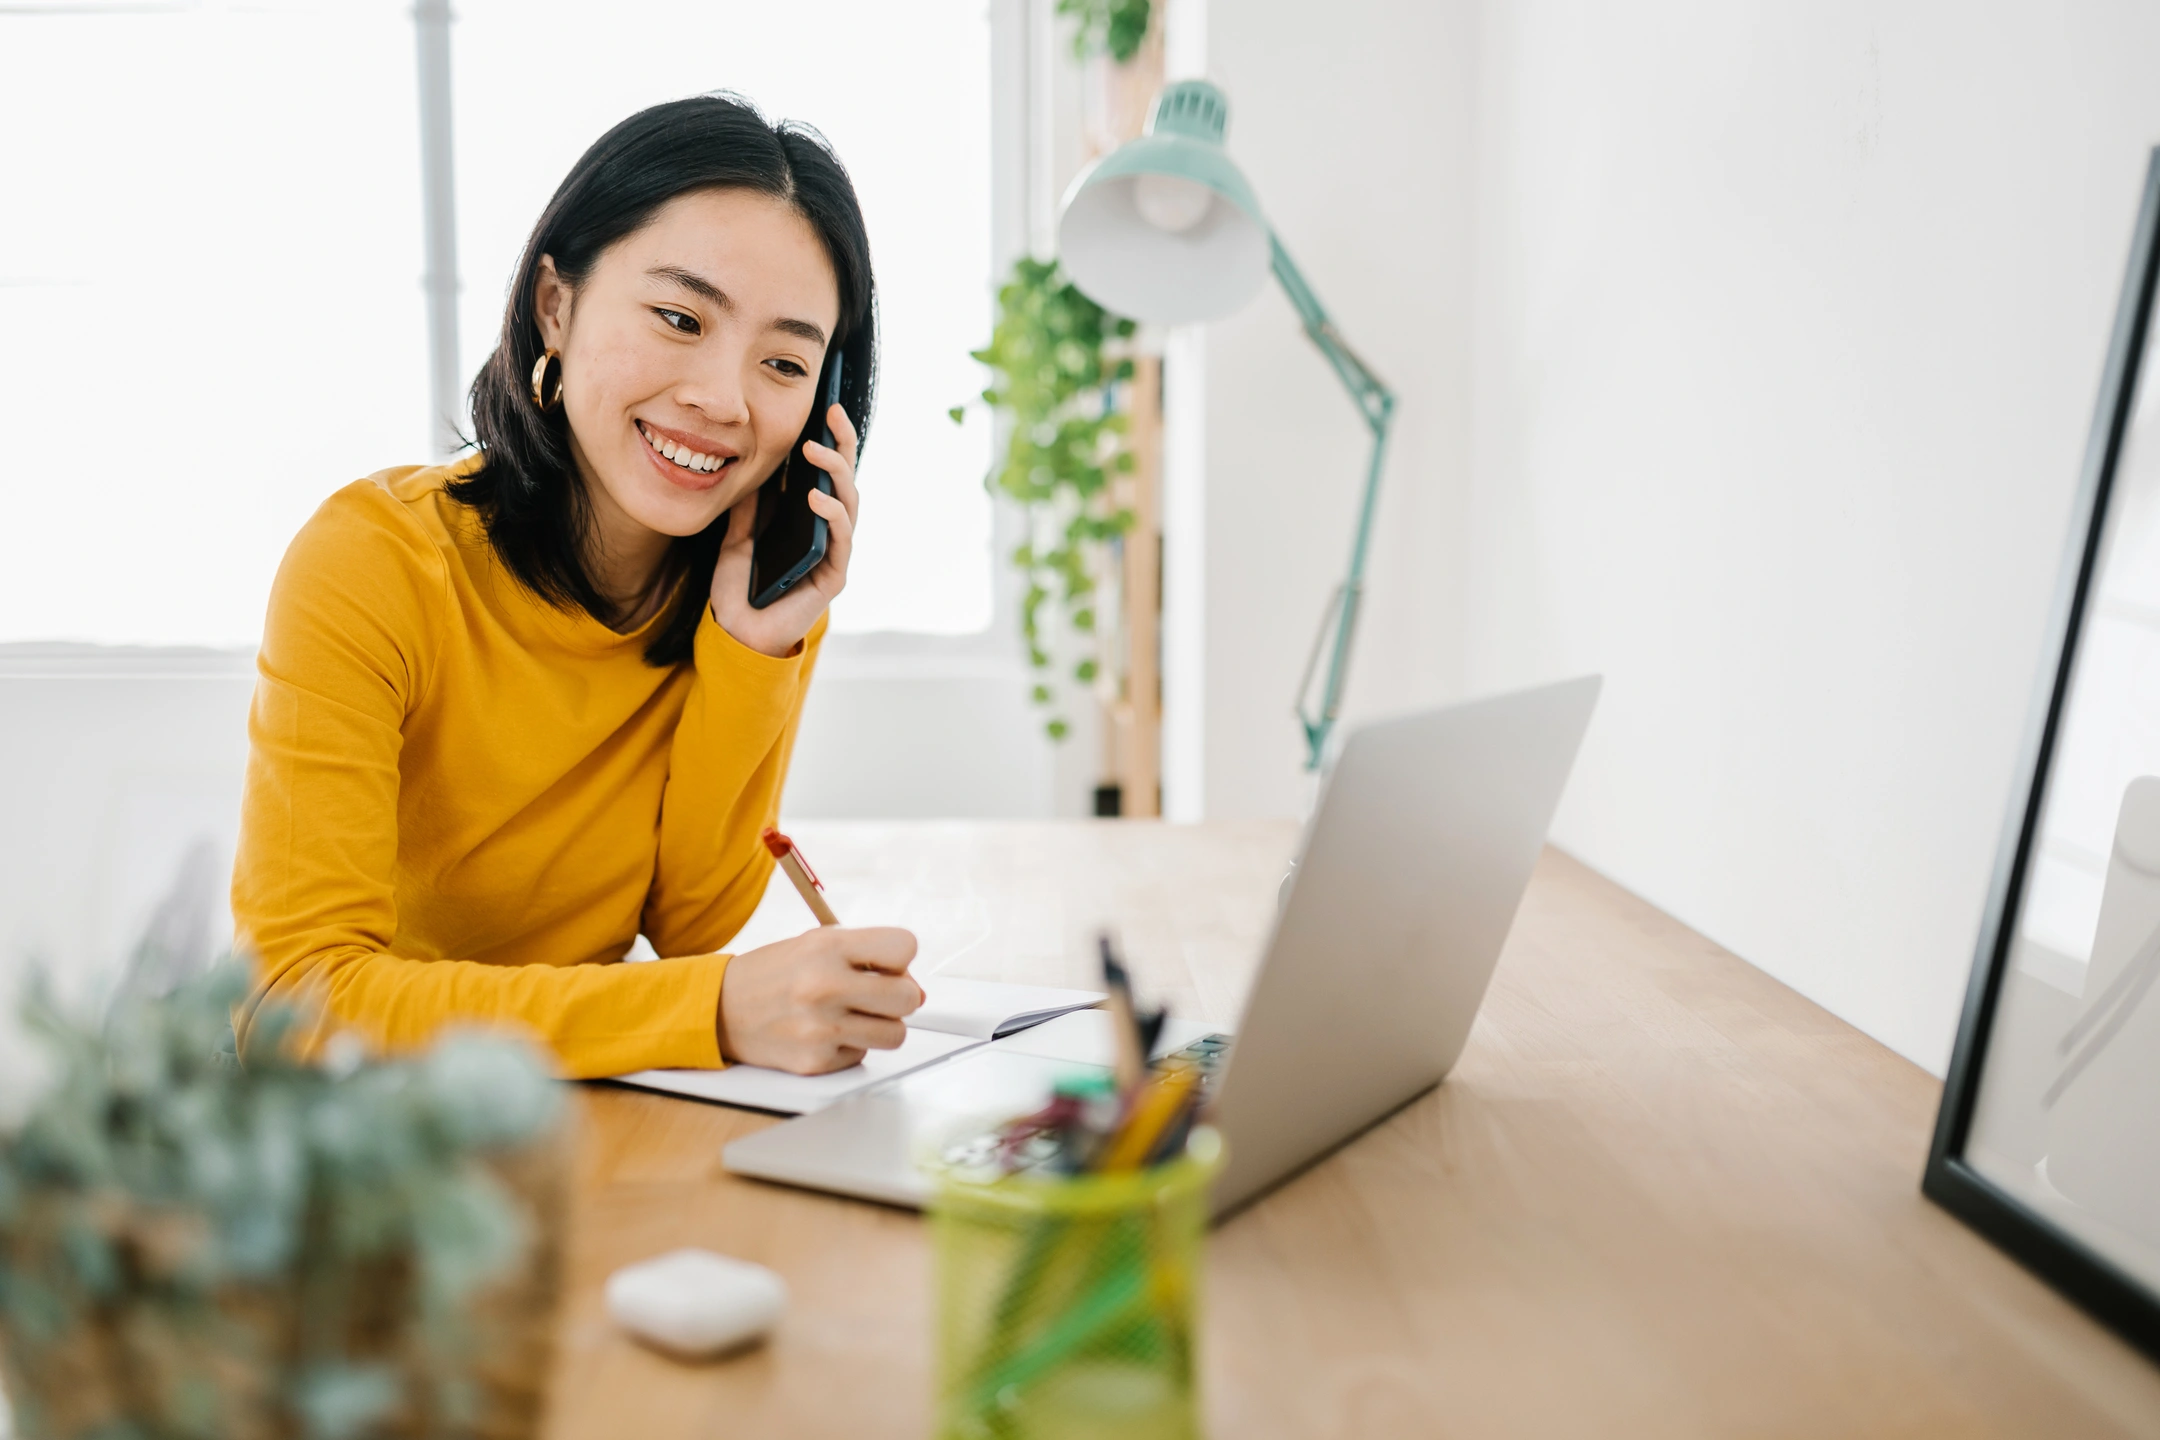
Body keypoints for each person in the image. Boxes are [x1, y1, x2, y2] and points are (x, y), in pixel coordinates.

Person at [231, 96, 921, 1079]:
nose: (724, 400)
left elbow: (693, 926)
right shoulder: (372, 562)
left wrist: (753, 653)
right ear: (555, 305)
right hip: (357, 1144)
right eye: (680, 317)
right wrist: (711, 1013)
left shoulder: (740, 606)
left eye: (783, 362)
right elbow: (293, 1003)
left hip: (566, 1126)